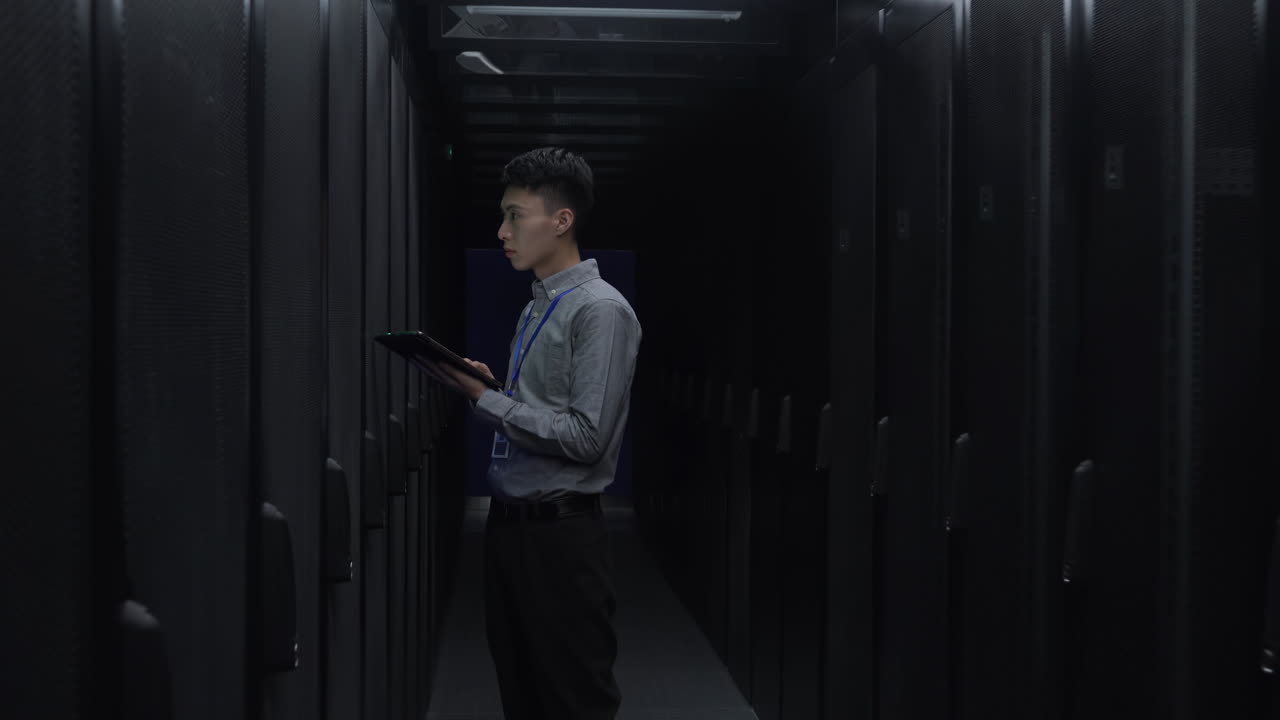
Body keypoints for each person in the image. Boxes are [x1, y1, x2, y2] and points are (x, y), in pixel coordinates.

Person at [425, 146, 642, 719]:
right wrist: (496, 389)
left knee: (573, 701)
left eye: (515, 216)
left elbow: (585, 437)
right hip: (512, 530)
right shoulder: (536, 306)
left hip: (562, 540)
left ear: (562, 220)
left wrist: (486, 400)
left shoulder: (601, 311)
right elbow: (545, 412)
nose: (502, 231)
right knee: (522, 696)